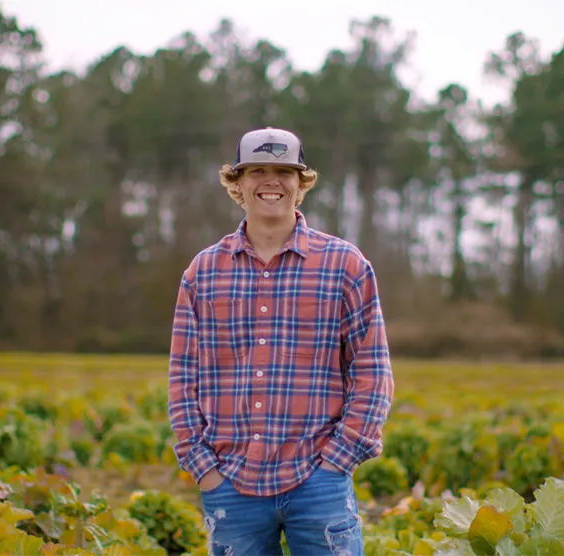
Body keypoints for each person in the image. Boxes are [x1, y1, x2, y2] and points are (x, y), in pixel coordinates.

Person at [167, 127, 394, 555]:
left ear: (301, 182)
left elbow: (372, 373)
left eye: (283, 171)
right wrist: (203, 469)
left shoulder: (345, 265)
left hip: (319, 484)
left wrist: (337, 462)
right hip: (230, 486)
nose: (271, 181)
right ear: (237, 183)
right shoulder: (202, 272)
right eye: (257, 170)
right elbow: (183, 377)